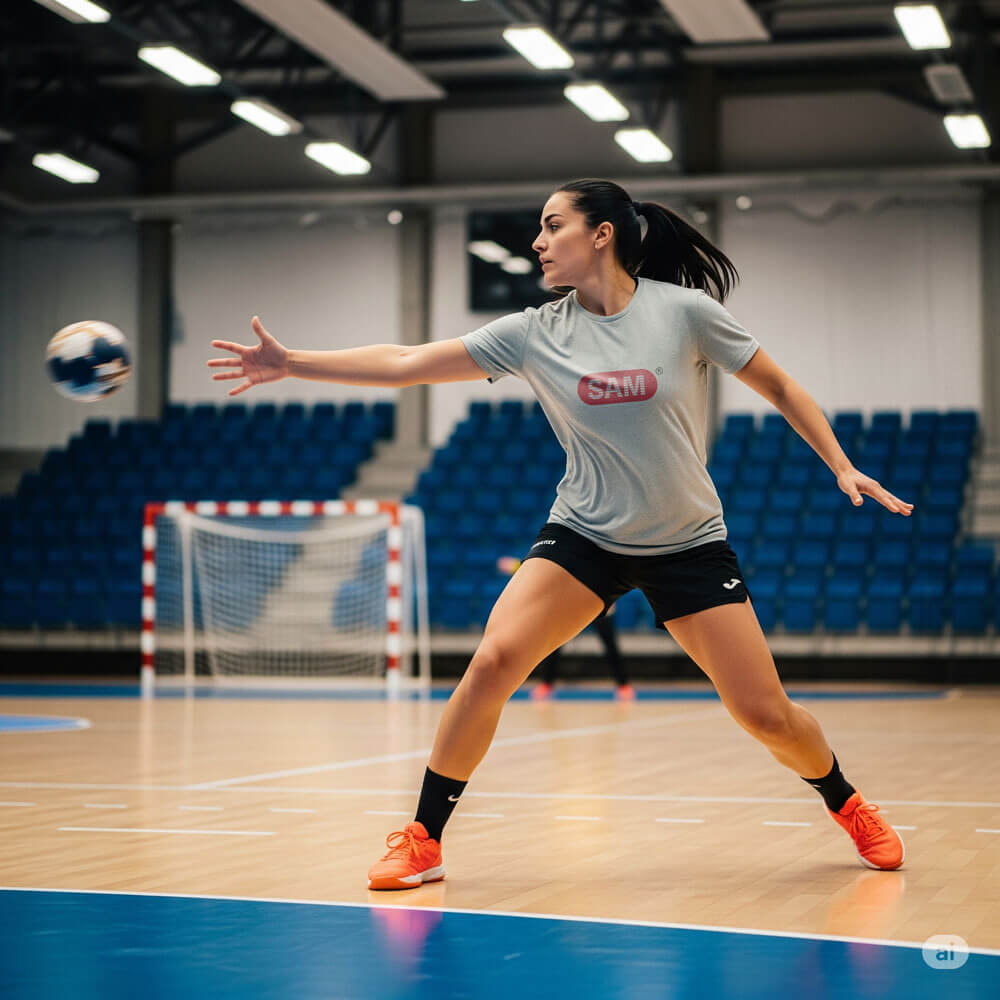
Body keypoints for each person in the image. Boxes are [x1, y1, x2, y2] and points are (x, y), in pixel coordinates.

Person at [207, 178, 915, 892]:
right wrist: (292, 363)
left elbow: (781, 387)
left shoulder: (685, 314)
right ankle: (423, 840)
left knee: (765, 715)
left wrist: (841, 464)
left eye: (552, 226)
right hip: (585, 535)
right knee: (492, 664)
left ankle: (847, 803)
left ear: (601, 234)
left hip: (687, 541)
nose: (537, 242)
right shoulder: (534, 331)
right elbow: (404, 362)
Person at [496, 554, 633, 700]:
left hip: (598, 605)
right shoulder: (569, 551)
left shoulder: (599, 555)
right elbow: (543, 569)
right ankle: (546, 684)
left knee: (610, 646)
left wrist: (610, 596)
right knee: (554, 646)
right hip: (570, 606)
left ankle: (623, 685)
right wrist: (515, 566)